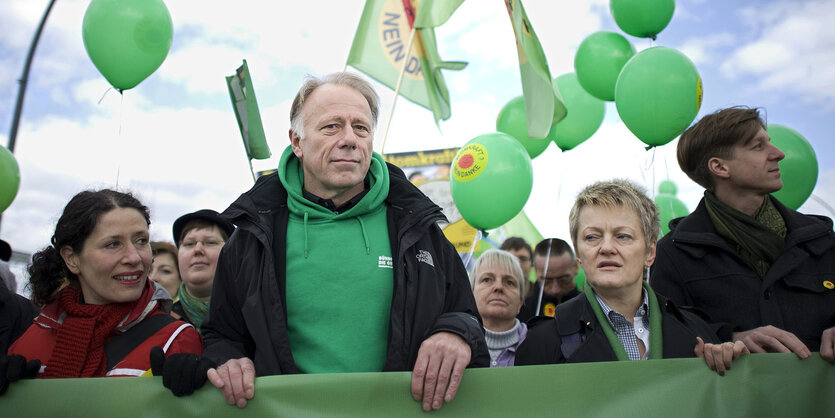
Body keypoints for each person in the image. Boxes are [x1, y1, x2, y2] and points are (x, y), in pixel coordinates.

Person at [159, 72, 488, 410]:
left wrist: (455, 334)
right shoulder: (250, 239)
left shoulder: (420, 229)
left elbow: (465, 315)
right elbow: (224, 335)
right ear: (297, 142)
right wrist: (228, 359)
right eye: (332, 126)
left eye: (360, 127)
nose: (349, 139)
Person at [651, 106, 835, 362]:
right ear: (719, 167)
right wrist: (729, 338)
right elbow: (667, 340)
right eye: (758, 146)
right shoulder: (674, 253)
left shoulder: (823, 241)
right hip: (733, 401)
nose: (779, 154)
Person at [517, 179, 747, 376]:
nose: (606, 247)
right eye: (592, 237)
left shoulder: (697, 334)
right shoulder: (541, 343)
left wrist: (729, 366)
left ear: (650, 252)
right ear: (578, 254)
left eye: (623, 236)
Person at [3, 189, 202, 387]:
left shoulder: (175, 340)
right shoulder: (34, 336)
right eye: (113, 244)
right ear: (72, 259)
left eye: (141, 240)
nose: (134, 257)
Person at [170, 209, 234, 331]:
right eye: (189, 244)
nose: (198, 249)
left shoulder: (254, 318)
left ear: (231, 253)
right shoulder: (159, 322)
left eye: (210, 242)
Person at [471, 249, 527, 367]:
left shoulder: (542, 346)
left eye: (510, 282)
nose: (498, 287)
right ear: (471, 294)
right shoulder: (453, 342)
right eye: (487, 280)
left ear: (521, 301)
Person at [517, 238, 580, 322]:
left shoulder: (592, 306)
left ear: (575, 267)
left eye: (563, 279)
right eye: (547, 280)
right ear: (536, 271)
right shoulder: (520, 309)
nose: (555, 289)